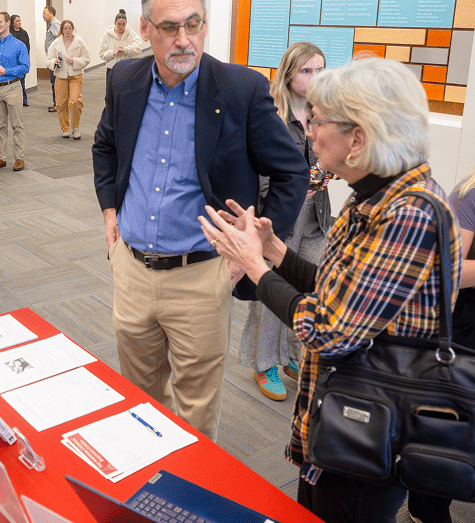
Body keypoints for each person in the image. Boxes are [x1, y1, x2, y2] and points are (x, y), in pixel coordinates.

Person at [198, 56, 462, 523]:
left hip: (371, 431)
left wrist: (256, 269)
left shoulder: (407, 215)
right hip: (346, 413)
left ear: (357, 138)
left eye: (318, 121)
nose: (311, 132)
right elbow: (342, 290)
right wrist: (276, 251)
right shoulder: (377, 197)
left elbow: (331, 329)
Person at [92, 0, 308, 441]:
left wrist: (251, 247)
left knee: (194, 411)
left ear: (205, 21)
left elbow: (292, 170)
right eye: (169, 28)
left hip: (203, 274)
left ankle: (187, 503)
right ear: (145, 29)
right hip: (130, 269)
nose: (184, 39)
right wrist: (110, 209)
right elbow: (105, 146)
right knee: (139, 399)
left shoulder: (239, 89)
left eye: (194, 23)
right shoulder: (124, 79)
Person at [242, 42, 329, 401]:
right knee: (271, 290)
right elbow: (261, 174)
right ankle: (264, 363)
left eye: (321, 71)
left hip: (317, 216)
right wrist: (299, 184)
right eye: (307, 70)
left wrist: (327, 170)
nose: (314, 78)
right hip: (280, 218)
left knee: (310, 289)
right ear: (290, 72)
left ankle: (293, 356)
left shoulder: (322, 113)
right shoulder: (271, 116)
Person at [407, 165, 475, 523]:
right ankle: (427, 506)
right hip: (465, 326)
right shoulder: (469, 193)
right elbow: (449, 270)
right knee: (449, 428)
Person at [0, 12, 30, 172]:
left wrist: (7, 71)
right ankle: (1, 158)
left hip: (13, 87)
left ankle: (19, 158)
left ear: (8, 23)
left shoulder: (19, 45)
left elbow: (25, 68)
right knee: (0, 126)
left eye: (0, 22)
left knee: (17, 125)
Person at [46, 20, 90, 140]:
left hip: (75, 76)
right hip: (60, 76)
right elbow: (48, 59)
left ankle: (75, 128)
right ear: (62, 30)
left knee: (75, 101)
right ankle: (65, 128)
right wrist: (54, 62)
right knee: (60, 104)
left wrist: (75, 61)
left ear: (73, 29)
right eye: (65, 28)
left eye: (69, 28)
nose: (67, 30)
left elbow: (86, 59)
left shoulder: (79, 42)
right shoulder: (56, 43)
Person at [99, 9, 143, 80]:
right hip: (112, 70)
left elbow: (138, 48)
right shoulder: (106, 36)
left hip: (128, 69)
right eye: (119, 24)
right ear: (115, 23)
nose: (121, 27)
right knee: (111, 91)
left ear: (126, 23)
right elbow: (102, 54)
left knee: (127, 90)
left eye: (123, 24)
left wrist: (125, 50)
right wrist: (113, 53)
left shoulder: (132, 35)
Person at [42, 6, 61, 112]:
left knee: (55, 82)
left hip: (55, 59)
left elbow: (60, 39)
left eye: (45, 13)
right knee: (54, 82)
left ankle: (57, 104)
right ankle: (56, 103)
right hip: (52, 58)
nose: (43, 15)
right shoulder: (51, 24)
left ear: (51, 14)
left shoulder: (55, 24)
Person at [10, 15, 31, 106]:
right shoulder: (9, 33)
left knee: (22, 81)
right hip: (13, 62)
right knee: (14, 81)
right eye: (17, 21)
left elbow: (27, 46)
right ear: (12, 22)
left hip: (22, 61)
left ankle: (24, 99)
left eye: (20, 20)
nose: (19, 22)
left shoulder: (24, 33)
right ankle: (15, 99)